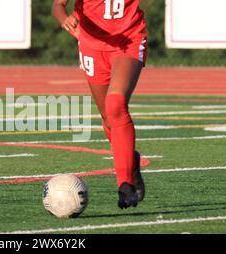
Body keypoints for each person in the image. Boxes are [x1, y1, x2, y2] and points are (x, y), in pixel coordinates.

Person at [52, 0, 147, 209]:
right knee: (107, 116)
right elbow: (57, 5)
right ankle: (130, 160)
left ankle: (125, 184)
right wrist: (65, 19)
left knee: (115, 104)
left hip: (128, 41)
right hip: (91, 47)